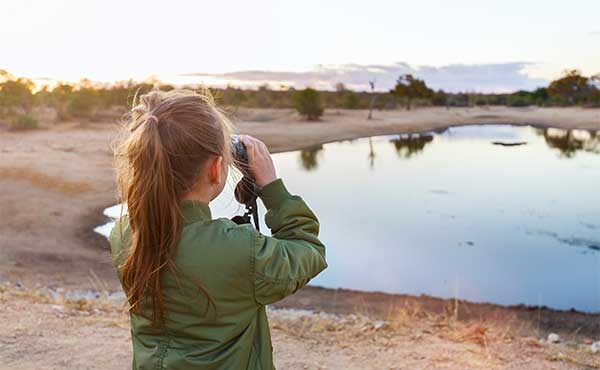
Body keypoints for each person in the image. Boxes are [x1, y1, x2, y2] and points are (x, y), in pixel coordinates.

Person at [109, 89, 327, 370]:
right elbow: (308, 250)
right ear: (215, 169)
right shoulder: (238, 250)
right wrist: (271, 188)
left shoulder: (126, 233)